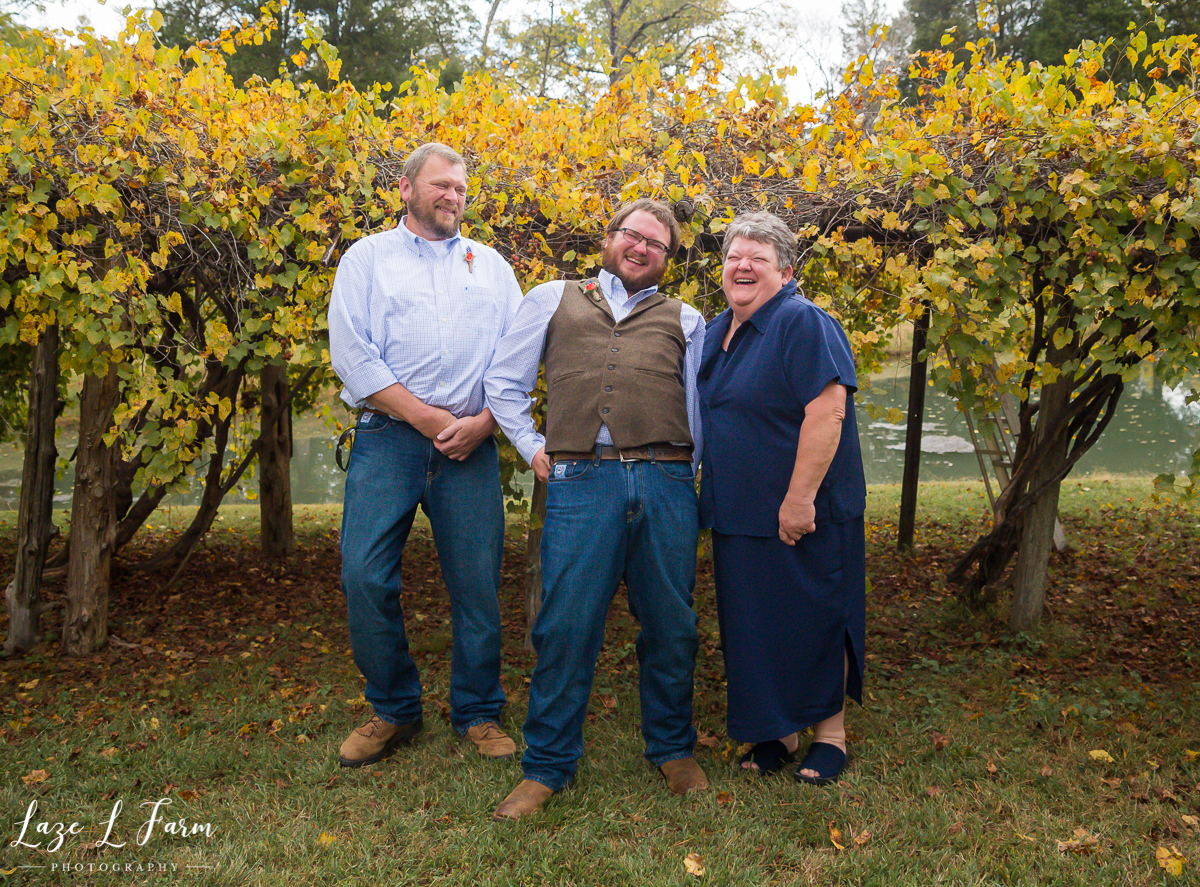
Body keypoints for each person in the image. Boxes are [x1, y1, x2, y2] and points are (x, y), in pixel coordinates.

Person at [483, 198, 708, 820]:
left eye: (656, 244)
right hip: (582, 481)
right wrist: (532, 447)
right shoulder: (551, 298)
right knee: (565, 626)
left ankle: (671, 747)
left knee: (671, 625)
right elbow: (503, 383)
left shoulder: (687, 319)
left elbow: (701, 410)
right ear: (610, 239)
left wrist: (692, 477)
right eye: (633, 236)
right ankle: (547, 765)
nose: (642, 249)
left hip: (664, 481)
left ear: (668, 259)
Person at [327, 142, 523, 767]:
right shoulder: (367, 259)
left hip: (472, 446)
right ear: (405, 190)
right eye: (441, 185)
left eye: (461, 188)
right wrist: (429, 417)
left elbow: (516, 362)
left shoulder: (490, 266)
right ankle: (394, 708)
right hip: (390, 440)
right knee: (364, 573)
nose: (453, 197)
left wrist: (484, 421)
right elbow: (352, 355)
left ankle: (478, 710)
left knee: (477, 587)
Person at [697, 211, 866, 784]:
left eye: (758, 259)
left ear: (787, 270)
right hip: (740, 511)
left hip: (804, 509)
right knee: (757, 624)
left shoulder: (803, 323)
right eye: (733, 257)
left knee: (815, 618)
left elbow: (828, 410)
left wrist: (799, 500)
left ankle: (830, 736)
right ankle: (778, 730)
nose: (742, 266)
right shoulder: (721, 329)